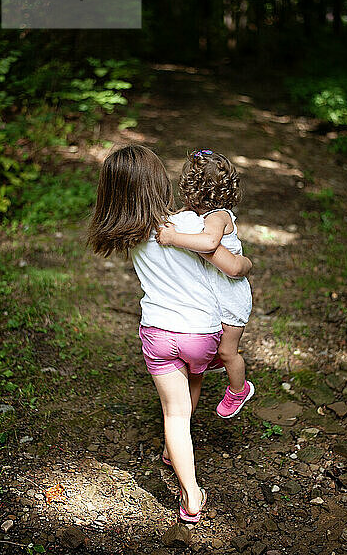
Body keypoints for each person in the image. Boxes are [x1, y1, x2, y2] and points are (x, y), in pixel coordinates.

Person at [86, 145, 252, 523]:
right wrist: (246, 262)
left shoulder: (129, 231)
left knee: (174, 414)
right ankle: (174, 450)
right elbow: (230, 264)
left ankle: (190, 494)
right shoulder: (192, 225)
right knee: (192, 383)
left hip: (159, 334)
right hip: (201, 333)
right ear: (162, 181)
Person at [156, 149, 254, 418]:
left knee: (227, 351)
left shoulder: (218, 217)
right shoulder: (202, 215)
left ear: (191, 189)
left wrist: (173, 238)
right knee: (215, 347)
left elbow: (210, 243)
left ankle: (238, 389)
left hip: (231, 296)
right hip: (217, 293)